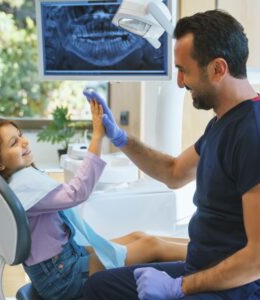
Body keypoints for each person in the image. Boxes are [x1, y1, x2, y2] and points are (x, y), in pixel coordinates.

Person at [83, 9, 260, 300]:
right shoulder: (222, 122)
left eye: (184, 70)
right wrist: (122, 138)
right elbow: (174, 172)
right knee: (99, 287)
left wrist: (179, 287)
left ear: (218, 69)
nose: (179, 81)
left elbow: (256, 260)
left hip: (235, 287)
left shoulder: (252, 133)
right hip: (200, 268)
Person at [0, 101, 187, 300]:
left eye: (20, 135)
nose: (24, 142)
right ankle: (209, 256)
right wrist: (97, 135)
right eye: (14, 143)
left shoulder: (19, 180)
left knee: (139, 236)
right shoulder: (24, 185)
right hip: (61, 276)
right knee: (151, 246)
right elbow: (78, 192)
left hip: (61, 264)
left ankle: (200, 247)